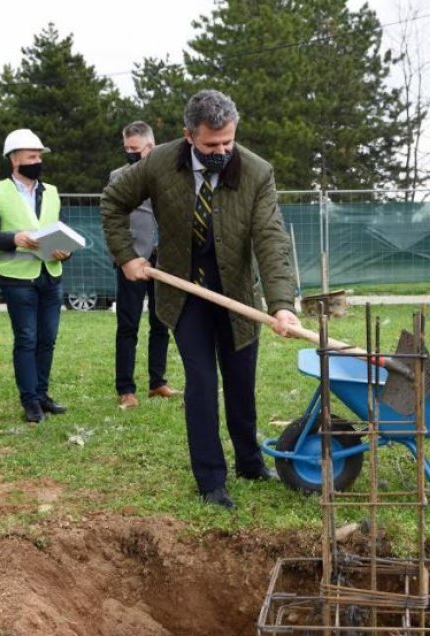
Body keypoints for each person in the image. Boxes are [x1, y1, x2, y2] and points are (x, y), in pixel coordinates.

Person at [101, 89, 299, 509]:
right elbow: (114, 202)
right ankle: (211, 480)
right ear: (189, 134)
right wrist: (127, 257)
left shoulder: (256, 172)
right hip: (184, 291)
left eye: (228, 141)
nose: (222, 151)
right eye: (212, 144)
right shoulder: (158, 163)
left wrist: (281, 303)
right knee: (203, 384)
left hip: (236, 294)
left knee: (241, 382)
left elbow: (271, 238)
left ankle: (249, 461)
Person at [0, 129, 70, 424]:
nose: (38, 160)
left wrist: (65, 251)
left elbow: (59, 230)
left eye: (39, 155)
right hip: (17, 278)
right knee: (27, 339)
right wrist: (14, 238)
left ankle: (42, 395)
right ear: (14, 159)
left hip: (50, 274)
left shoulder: (51, 192)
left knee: (47, 339)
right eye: (32, 156)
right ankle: (29, 401)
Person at [110, 121, 179, 409]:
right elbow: (113, 219)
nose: (129, 154)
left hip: (164, 261)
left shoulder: (172, 174)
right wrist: (123, 257)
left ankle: (157, 382)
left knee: (161, 322)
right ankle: (126, 389)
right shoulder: (118, 176)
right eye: (126, 148)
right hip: (133, 260)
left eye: (134, 149)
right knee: (128, 325)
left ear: (150, 147)